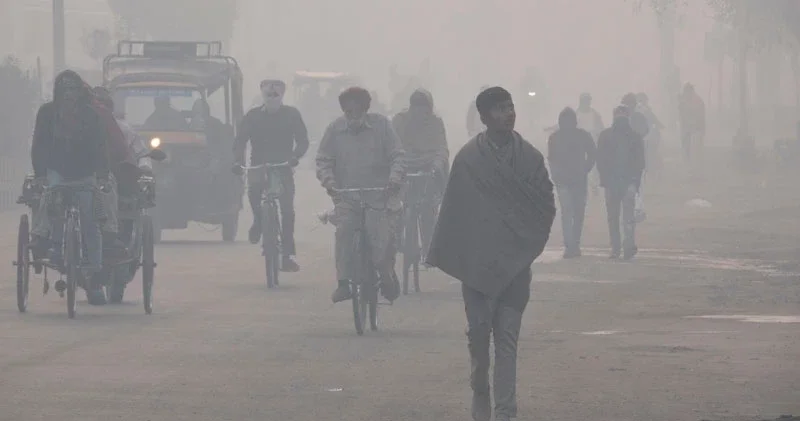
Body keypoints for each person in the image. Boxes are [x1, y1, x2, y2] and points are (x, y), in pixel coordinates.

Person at [426, 87, 556, 421]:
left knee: (507, 339)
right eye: (499, 109)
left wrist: (522, 245)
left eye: (510, 106)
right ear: (483, 117)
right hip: (477, 267)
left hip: (515, 268)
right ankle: (479, 387)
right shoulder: (468, 159)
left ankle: (506, 412)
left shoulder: (530, 158)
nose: (508, 113)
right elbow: (455, 211)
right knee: (480, 336)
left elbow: (544, 206)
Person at [316, 87, 405, 304]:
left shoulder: (382, 126)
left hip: (379, 197)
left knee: (381, 242)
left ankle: (386, 276)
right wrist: (330, 183)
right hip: (347, 197)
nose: (353, 117)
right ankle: (344, 283)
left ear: (366, 110)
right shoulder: (334, 130)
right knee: (344, 233)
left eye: (357, 112)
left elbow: (397, 156)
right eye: (348, 112)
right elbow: (323, 160)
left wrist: (394, 179)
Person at [30, 70, 110, 282]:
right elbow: (39, 144)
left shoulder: (91, 116)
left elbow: (101, 147)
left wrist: (102, 175)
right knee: (51, 204)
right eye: (65, 90)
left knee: (90, 219)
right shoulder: (47, 113)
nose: (69, 94)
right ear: (58, 92)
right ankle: (52, 246)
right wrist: (40, 174)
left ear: (79, 93)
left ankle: (95, 265)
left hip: (85, 173)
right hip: (57, 170)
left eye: (73, 89)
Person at [233, 79, 308, 272]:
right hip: (258, 165)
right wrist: (238, 162)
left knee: (288, 211)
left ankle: (287, 254)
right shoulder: (252, 116)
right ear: (263, 95)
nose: (272, 96)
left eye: (276, 94)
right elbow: (240, 141)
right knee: (253, 194)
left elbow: (302, 141)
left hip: (283, 167)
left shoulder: (292, 115)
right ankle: (258, 220)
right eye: (269, 93)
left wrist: (295, 157)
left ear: (282, 95)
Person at [391, 89, 449, 257]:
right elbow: (393, 147)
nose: (420, 113)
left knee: (428, 208)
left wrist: (437, 166)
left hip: (429, 168)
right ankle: (396, 239)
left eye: (424, 108)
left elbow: (442, 148)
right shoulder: (399, 121)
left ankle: (429, 248)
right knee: (396, 206)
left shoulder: (436, 122)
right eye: (417, 108)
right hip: (403, 166)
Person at [596, 106, 646, 260]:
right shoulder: (636, 137)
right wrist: (635, 181)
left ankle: (616, 248)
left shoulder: (605, 136)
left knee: (613, 218)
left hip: (612, 183)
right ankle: (627, 246)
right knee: (627, 217)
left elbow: (600, 160)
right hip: (627, 182)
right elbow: (640, 162)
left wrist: (604, 179)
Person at [547, 107, 595, 258]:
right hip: (578, 179)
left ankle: (570, 245)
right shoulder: (583, 135)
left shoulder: (554, 137)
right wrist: (586, 168)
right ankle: (574, 244)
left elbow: (551, 158)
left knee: (567, 213)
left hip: (563, 180)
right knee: (578, 213)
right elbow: (593, 153)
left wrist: (555, 174)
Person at [636, 92, 665, 180]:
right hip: (645, 137)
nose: (642, 102)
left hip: (648, 136)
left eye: (643, 100)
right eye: (641, 100)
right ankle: (652, 172)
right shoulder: (643, 110)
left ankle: (652, 172)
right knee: (649, 154)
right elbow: (655, 121)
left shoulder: (643, 110)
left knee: (650, 154)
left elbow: (655, 121)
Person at [678, 83, 706, 163]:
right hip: (687, 128)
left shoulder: (697, 101)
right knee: (686, 145)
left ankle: (696, 162)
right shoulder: (684, 100)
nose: (686, 93)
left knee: (696, 147)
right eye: (685, 91)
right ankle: (688, 161)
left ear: (691, 91)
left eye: (687, 91)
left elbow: (700, 115)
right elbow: (681, 113)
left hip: (696, 128)